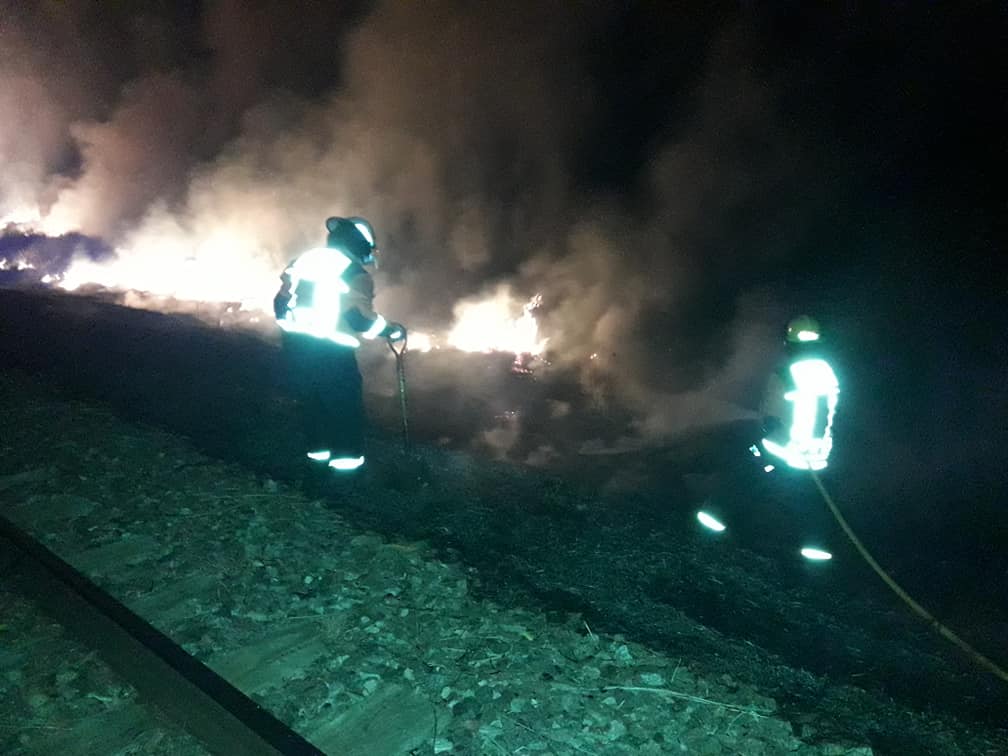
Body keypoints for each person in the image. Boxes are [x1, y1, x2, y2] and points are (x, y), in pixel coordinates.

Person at [274, 216, 405, 473]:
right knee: (344, 407)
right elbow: (359, 318)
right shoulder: (353, 273)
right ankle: (346, 470)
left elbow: (280, 302)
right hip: (331, 351)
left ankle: (316, 460)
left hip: (296, 347)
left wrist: (291, 329)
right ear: (359, 244)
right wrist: (390, 330)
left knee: (312, 402)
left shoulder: (303, 261)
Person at [753, 315, 840, 473]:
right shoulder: (828, 372)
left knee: (748, 453)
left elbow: (770, 419)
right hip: (822, 459)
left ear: (789, 344)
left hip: (786, 457)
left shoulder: (784, 374)